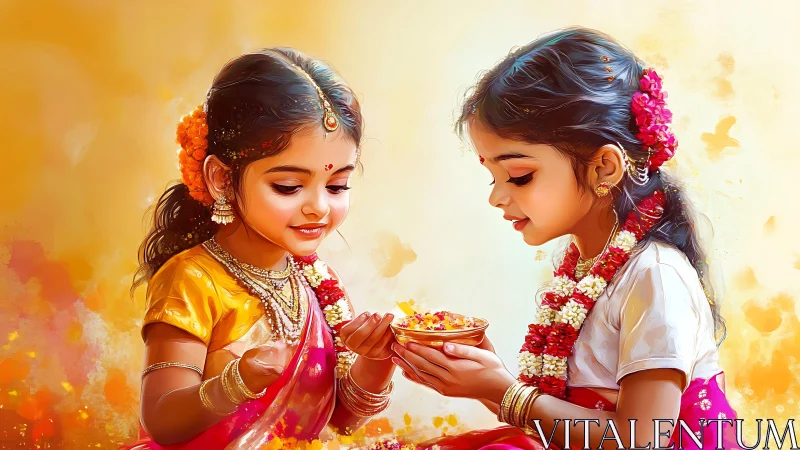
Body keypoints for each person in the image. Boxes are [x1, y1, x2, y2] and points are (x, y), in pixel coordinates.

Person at [392, 28, 741, 450]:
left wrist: (503, 391)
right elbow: (559, 417)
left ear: (605, 168)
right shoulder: (583, 264)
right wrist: (484, 380)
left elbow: (644, 439)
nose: (497, 197)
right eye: (493, 177)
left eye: (519, 176)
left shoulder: (655, 276)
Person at [124, 48, 396, 449]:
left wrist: (376, 358)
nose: (319, 207)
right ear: (220, 178)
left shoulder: (313, 278)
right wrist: (237, 383)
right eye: (288, 186)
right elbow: (164, 420)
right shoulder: (192, 280)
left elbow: (341, 417)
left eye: (337, 185)